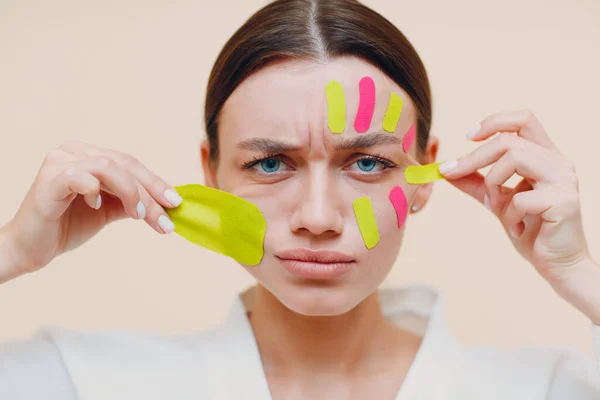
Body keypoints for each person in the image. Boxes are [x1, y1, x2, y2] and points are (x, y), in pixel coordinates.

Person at [1, 0, 599, 398]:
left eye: (368, 163)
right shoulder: (87, 383)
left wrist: (580, 277)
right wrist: (12, 251)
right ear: (210, 171)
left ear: (422, 172)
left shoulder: (546, 388)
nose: (317, 218)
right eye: (269, 163)